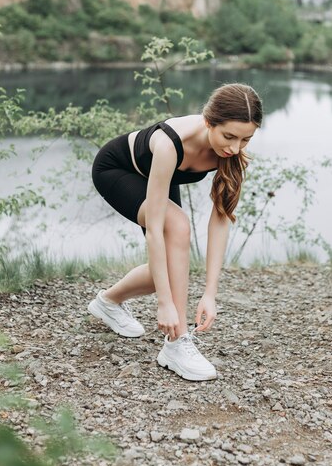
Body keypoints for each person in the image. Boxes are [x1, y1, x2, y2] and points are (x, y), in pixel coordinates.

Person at [88, 82, 263, 381]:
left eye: (246, 140)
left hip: (158, 177)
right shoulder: (170, 143)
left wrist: (210, 293)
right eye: (229, 137)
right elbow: (155, 229)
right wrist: (164, 305)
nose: (234, 148)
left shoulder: (230, 151)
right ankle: (176, 343)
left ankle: (107, 302)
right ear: (209, 121)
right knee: (177, 228)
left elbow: (220, 219)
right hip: (116, 170)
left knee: (169, 271)